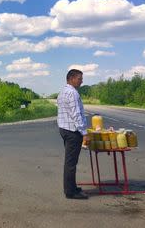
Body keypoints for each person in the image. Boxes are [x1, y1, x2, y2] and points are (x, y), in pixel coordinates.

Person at [57, 69, 90, 199]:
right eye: (79, 78)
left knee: (70, 162)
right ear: (71, 78)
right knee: (71, 163)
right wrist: (84, 132)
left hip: (64, 129)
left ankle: (71, 187)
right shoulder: (72, 93)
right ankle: (70, 192)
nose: (81, 81)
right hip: (72, 131)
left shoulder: (63, 92)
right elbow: (76, 115)